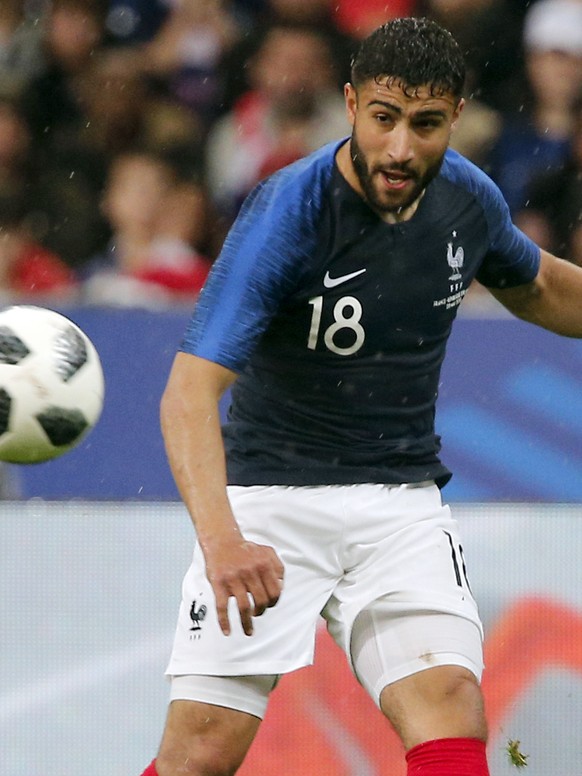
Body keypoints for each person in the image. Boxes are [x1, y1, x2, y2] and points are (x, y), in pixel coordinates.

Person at [140, 17, 582, 776]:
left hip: (399, 501)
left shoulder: (467, 200)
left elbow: (539, 284)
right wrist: (222, 540)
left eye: (426, 124)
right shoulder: (289, 212)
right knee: (202, 752)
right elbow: (188, 393)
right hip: (270, 502)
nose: (401, 148)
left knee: (449, 701)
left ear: (456, 118)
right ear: (350, 105)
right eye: (384, 119)